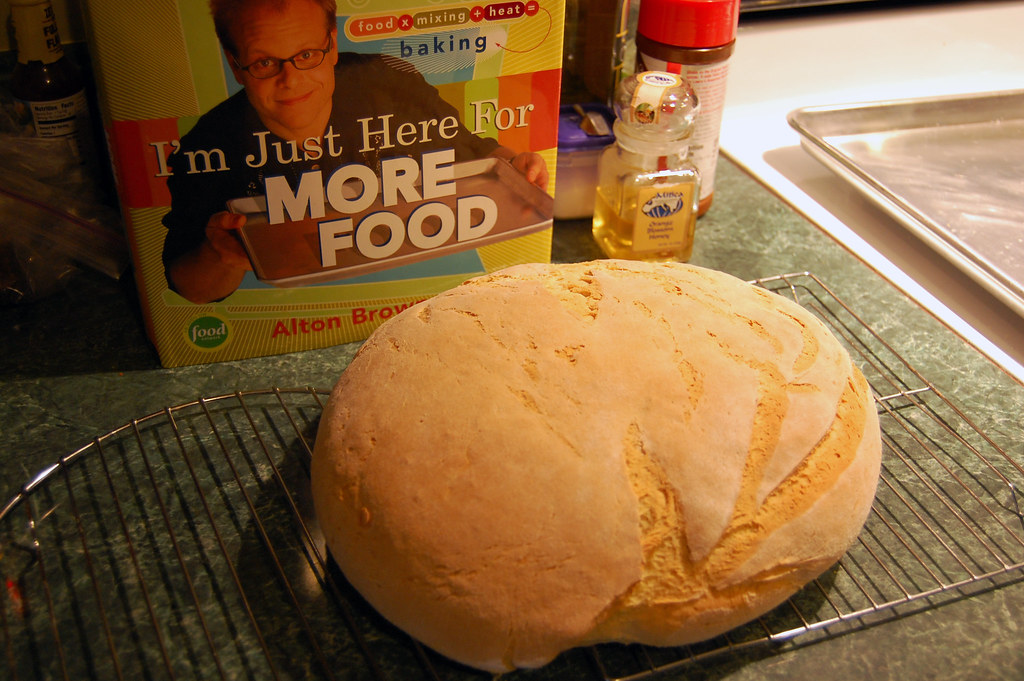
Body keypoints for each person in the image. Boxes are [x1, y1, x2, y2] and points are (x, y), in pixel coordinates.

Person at [162, 0, 549, 304]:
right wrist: (219, 254)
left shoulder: (390, 82)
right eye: (264, 62)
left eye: (307, 55)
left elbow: (474, 150)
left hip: (420, 296)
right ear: (235, 65)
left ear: (332, 44)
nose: (291, 79)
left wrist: (518, 165)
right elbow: (192, 288)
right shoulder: (205, 148)